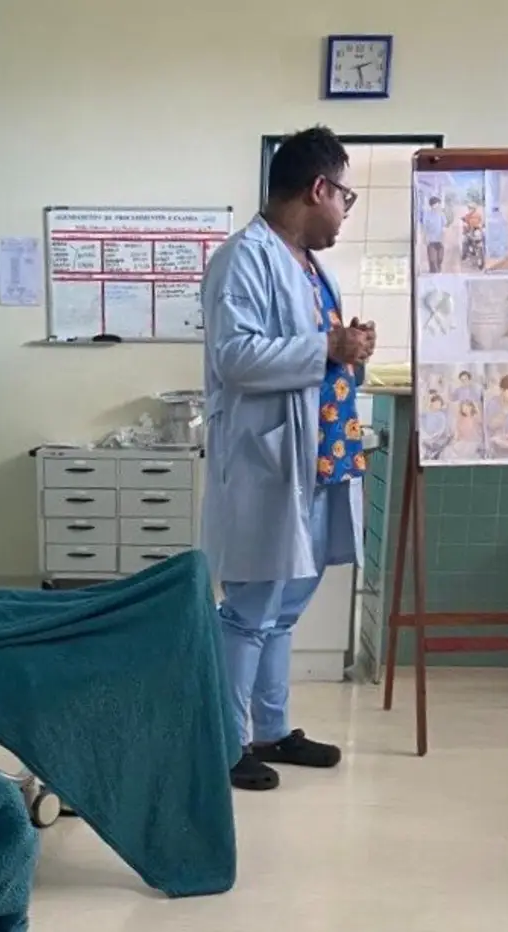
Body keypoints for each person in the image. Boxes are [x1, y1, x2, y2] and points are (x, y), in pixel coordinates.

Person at [200, 126, 375, 792]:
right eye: (345, 198)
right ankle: (226, 742)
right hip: (269, 462)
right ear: (318, 188)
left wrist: (349, 347)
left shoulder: (306, 263)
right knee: (250, 610)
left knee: (284, 609)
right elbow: (234, 357)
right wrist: (328, 348)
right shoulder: (244, 258)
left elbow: (315, 350)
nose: (344, 212)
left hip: (319, 461)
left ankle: (270, 730)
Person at [421, 195, 446, 272]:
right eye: (437, 204)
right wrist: (425, 237)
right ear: (433, 205)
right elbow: (425, 227)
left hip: (440, 238)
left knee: (440, 258)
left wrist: (443, 235)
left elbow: (444, 225)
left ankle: (438, 268)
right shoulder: (427, 214)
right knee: (432, 259)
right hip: (431, 239)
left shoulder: (441, 214)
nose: (438, 206)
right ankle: (433, 270)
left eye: (438, 204)